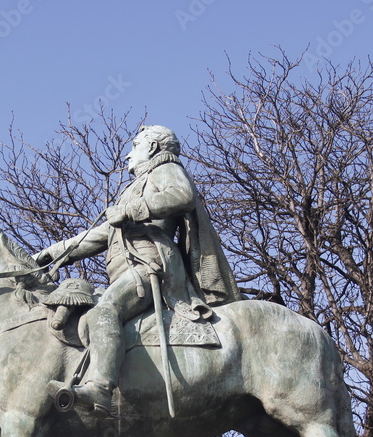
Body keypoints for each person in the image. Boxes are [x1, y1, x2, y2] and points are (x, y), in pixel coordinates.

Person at [35, 125, 240, 414]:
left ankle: (101, 389)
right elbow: (101, 233)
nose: (128, 155)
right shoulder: (135, 186)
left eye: (135, 146)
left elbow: (182, 195)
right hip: (130, 270)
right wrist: (56, 252)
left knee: (103, 312)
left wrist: (133, 210)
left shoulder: (164, 167)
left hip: (152, 266)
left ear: (153, 148)